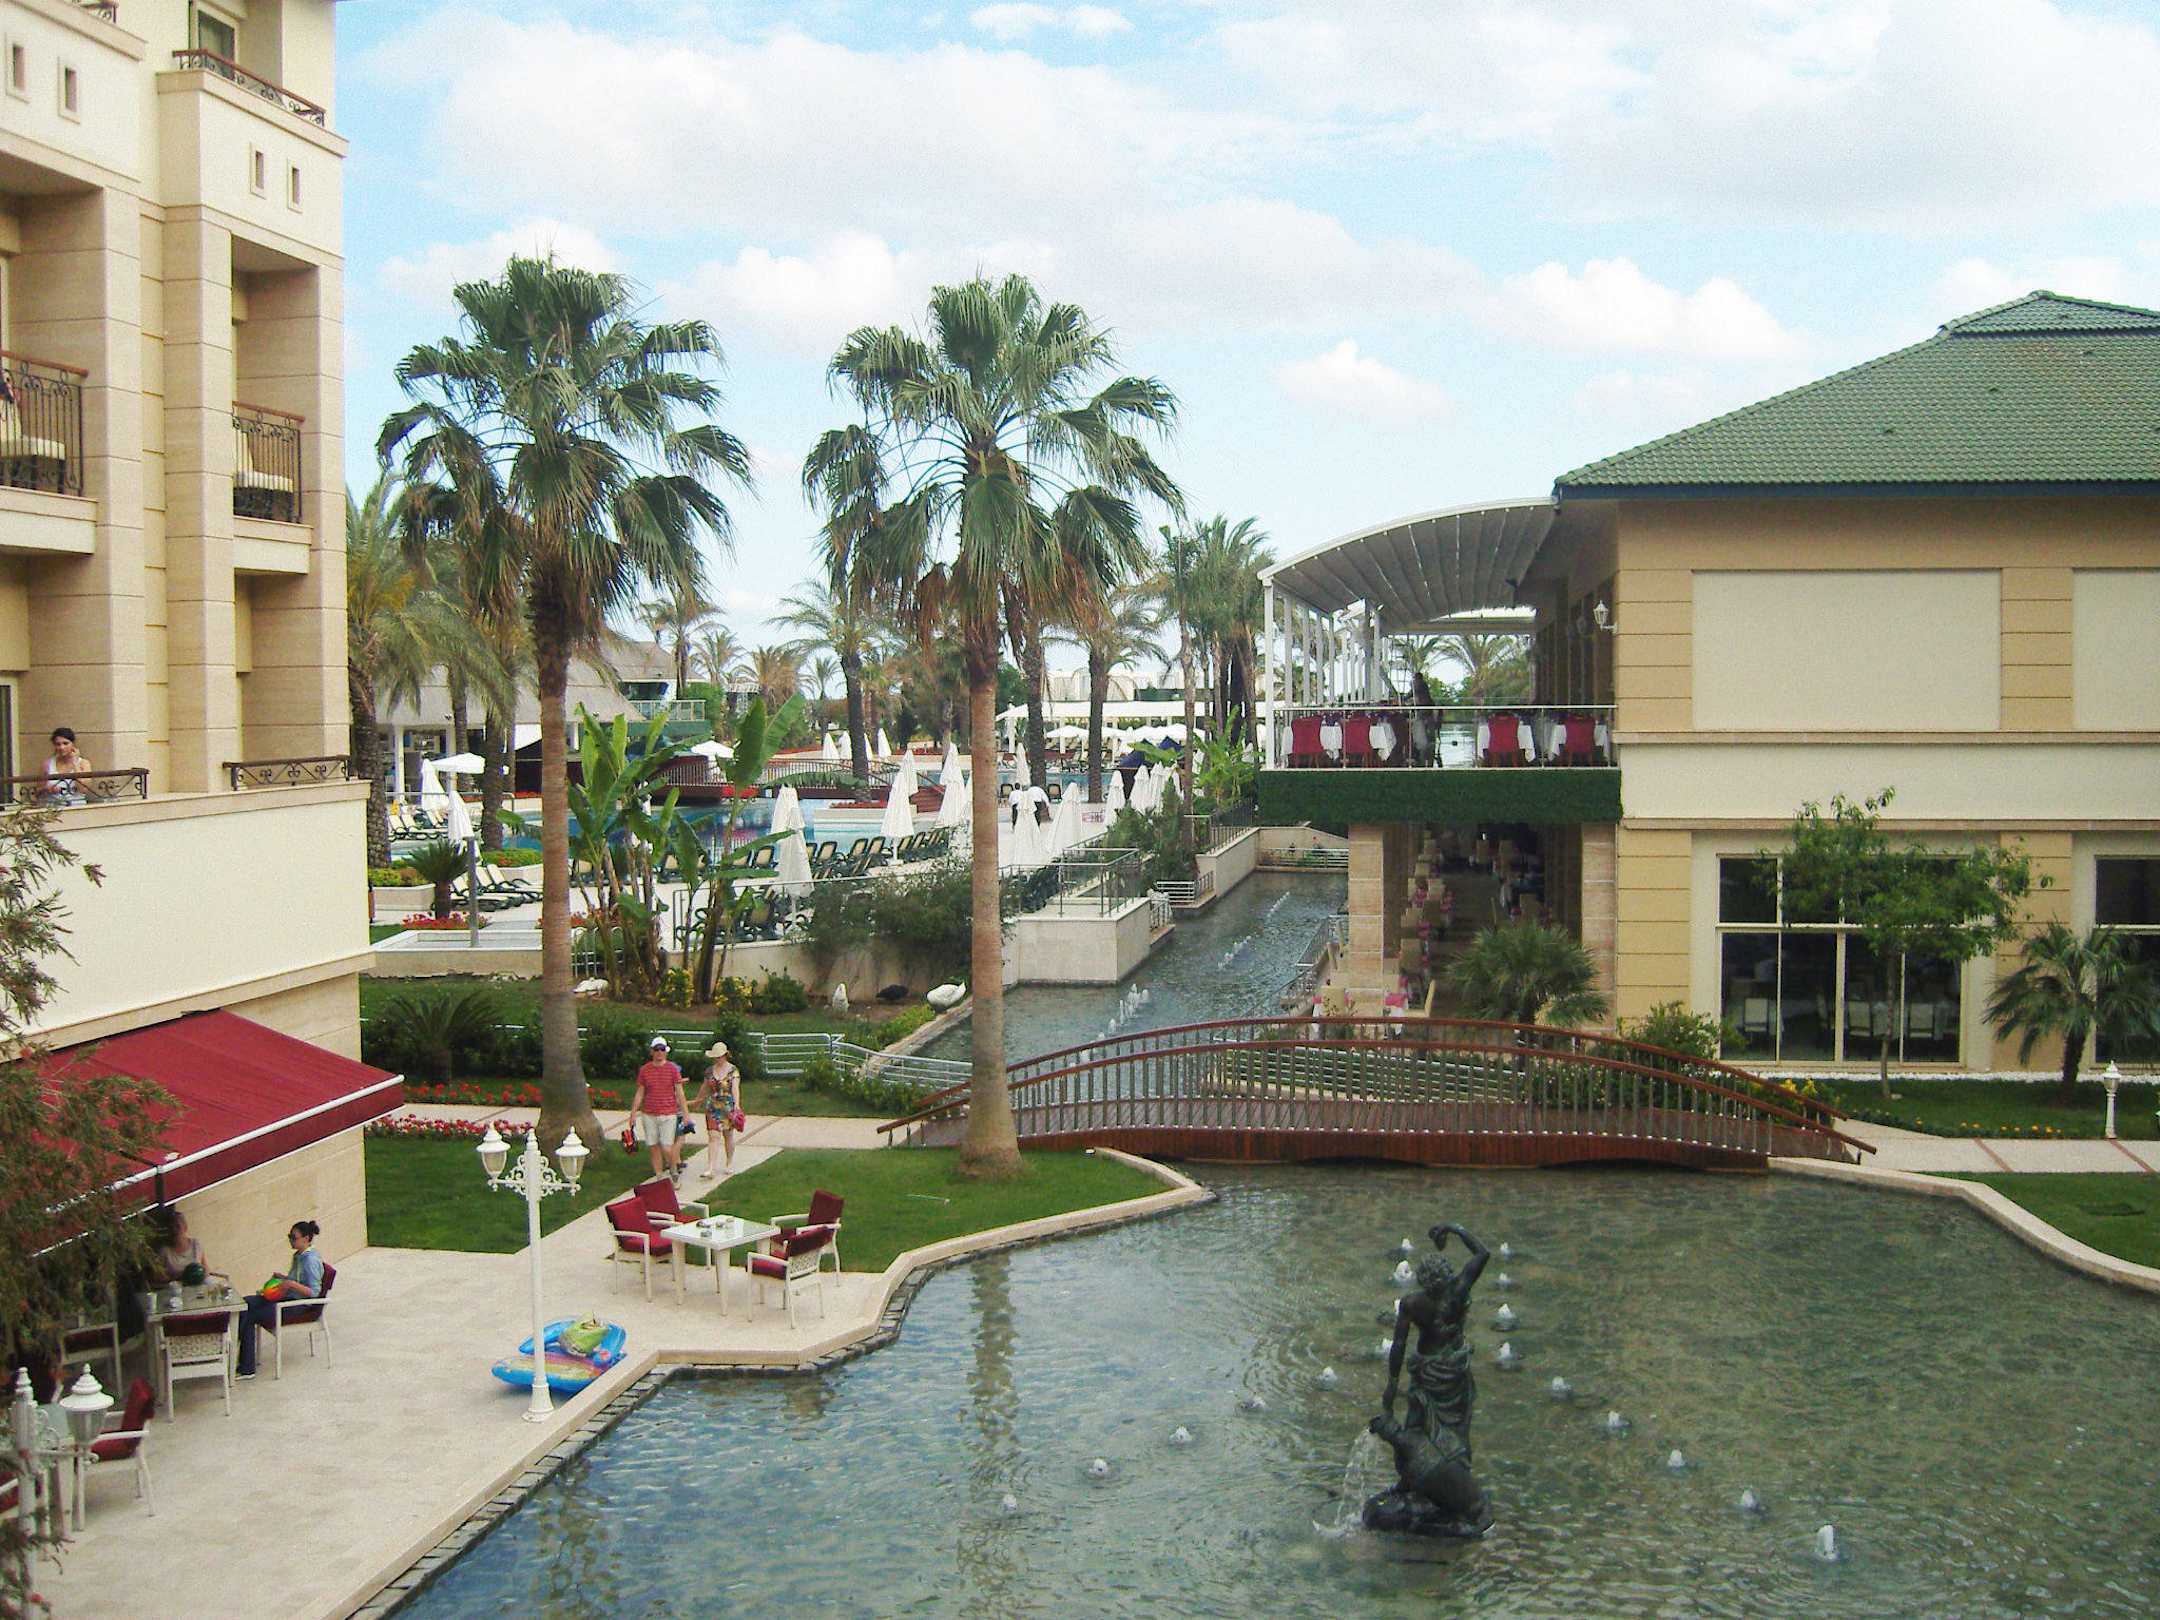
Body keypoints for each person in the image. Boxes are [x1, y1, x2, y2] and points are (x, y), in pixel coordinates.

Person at [235, 1220, 323, 1380]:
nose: (291, 1240)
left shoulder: (310, 1260)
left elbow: (314, 1292)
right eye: (289, 1237)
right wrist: (283, 1279)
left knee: (250, 1316)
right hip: (287, 1297)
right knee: (244, 1303)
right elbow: (296, 1280)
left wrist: (290, 1284)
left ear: (306, 1238)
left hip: (298, 1306)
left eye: (294, 1237)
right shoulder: (299, 1256)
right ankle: (237, 1350)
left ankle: (247, 1367)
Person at [632, 1036, 687, 1182]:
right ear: (652, 1051)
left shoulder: (672, 1069)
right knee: (653, 1146)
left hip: (668, 1113)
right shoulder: (644, 1070)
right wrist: (633, 1113)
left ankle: (673, 1170)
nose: (659, 1052)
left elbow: (680, 1093)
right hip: (649, 1113)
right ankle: (659, 1176)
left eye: (662, 1049)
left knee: (667, 1147)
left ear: (666, 1051)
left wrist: (686, 1114)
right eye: (656, 1050)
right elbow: (640, 1092)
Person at [692, 1041, 743, 1180]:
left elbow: (735, 1089)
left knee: (728, 1136)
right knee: (713, 1136)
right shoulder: (709, 1071)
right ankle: (710, 1168)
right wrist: (697, 1101)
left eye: (719, 1056)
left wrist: (737, 1105)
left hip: (727, 1107)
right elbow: (704, 1087)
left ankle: (729, 1162)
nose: (717, 1059)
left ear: (725, 1055)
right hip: (712, 1107)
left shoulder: (733, 1071)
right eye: (715, 1057)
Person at [151, 1206, 208, 1286]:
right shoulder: (164, 1251)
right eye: (171, 1228)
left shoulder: (195, 1244)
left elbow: (206, 1269)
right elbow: (157, 1278)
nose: (174, 1230)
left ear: (185, 1227)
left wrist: (201, 1275)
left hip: (198, 1284)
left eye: (177, 1226)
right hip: (177, 1287)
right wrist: (177, 1277)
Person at [43, 727, 89, 805]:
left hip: (77, 806)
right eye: (58, 744)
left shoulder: (83, 763)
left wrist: (75, 763)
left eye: (65, 743)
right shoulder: (48, 764)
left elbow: (83, 789)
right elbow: (38, 790)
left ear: (73, 744)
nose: (62, 747)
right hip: (53, 806)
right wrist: (48, 789)